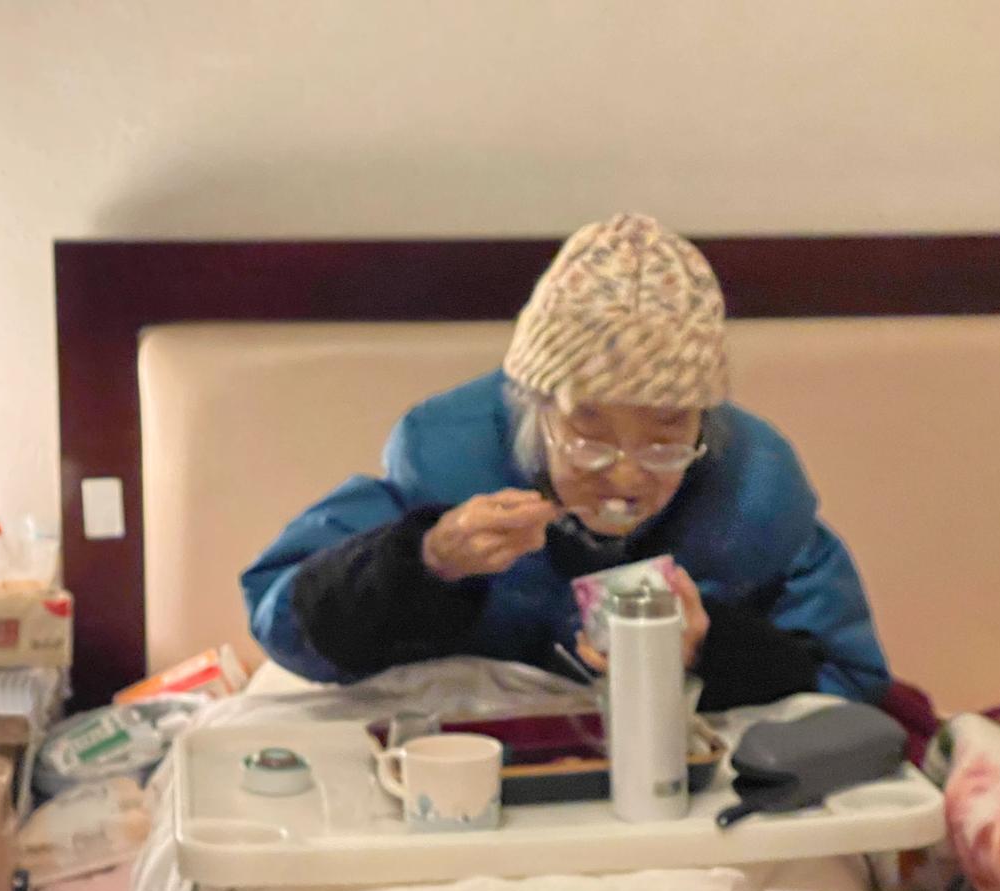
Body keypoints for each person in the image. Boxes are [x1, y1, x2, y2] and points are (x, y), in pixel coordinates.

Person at [242, 214, 890, 710]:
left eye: (665, 439)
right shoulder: (443, 471)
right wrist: (425, 561)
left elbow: (851, 683)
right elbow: (281, 623)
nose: (627, 478)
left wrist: (714, 649)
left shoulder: (754, 502)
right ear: (532, 411)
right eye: (589, 434)